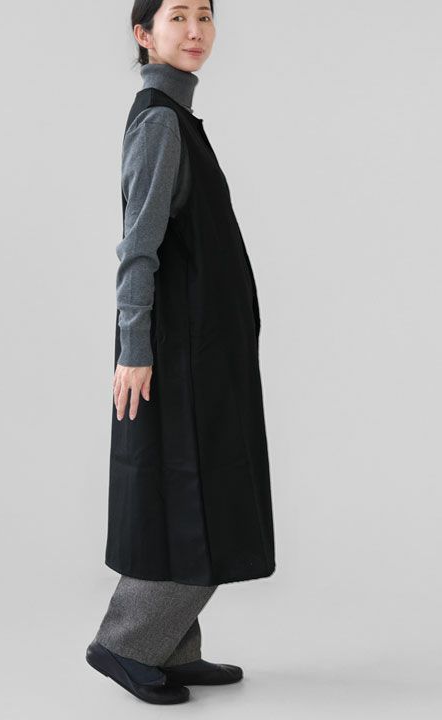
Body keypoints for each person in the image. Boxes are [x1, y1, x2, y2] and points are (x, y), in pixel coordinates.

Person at [86, 0, 276, 704]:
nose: (195, 30)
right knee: (192, 494)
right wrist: (134, 348)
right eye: (178, 17)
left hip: (202, 347)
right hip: (175, 350)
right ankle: (124, 643)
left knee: (199, 487)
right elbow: (137, 246)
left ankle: (171, 646)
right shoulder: (160, 122)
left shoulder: (177, 117)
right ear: (144, 34)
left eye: (205, 15)